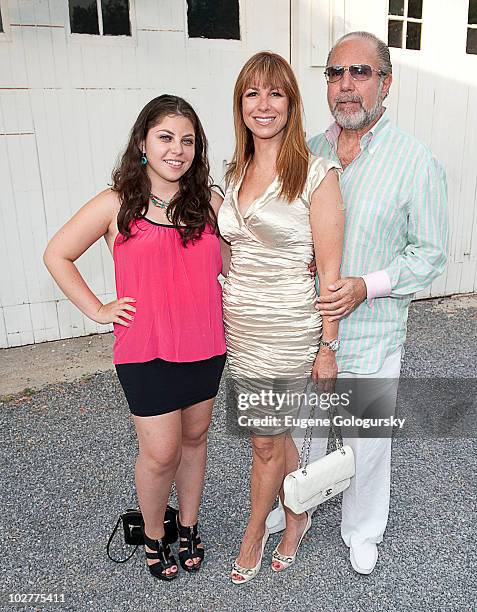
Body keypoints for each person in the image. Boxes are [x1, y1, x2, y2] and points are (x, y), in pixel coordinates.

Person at [266, 31, 448, 575]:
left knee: (366, 439)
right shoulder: (308, 152)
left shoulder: (416, 160)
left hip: (372, 328)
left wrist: (367, 285)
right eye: (335, 73)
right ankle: (297, 505)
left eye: (360, 73)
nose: (347, 85)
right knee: (304, 426)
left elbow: (431, 253)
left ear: (385, 83)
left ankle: (363, 528)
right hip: (308, 328)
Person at [43, 95, 227, 581]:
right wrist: (98, 309)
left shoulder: (209, 202)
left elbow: (237, 264)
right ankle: (152, 533)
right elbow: (57, 254)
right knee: (161, 451)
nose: (177, 149)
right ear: (143, 143)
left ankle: (187, 526)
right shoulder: (116, 203)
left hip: (206, 345)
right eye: (166, 137)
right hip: (145, 348)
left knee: (195, 439)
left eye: (187, 140)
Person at [218, 51, 345, 583]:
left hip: (290, 327)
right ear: (240, 105)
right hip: (241, 328)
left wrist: (327, 346)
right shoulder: (233, 170)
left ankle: (254, 531)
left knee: (266, 440)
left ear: (292, 103)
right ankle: (298, 515)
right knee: (271, 437)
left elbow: (332, 273)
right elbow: (228, 248)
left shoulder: (317, 174)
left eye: (275, 93)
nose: (263, 104)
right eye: (252, 93)